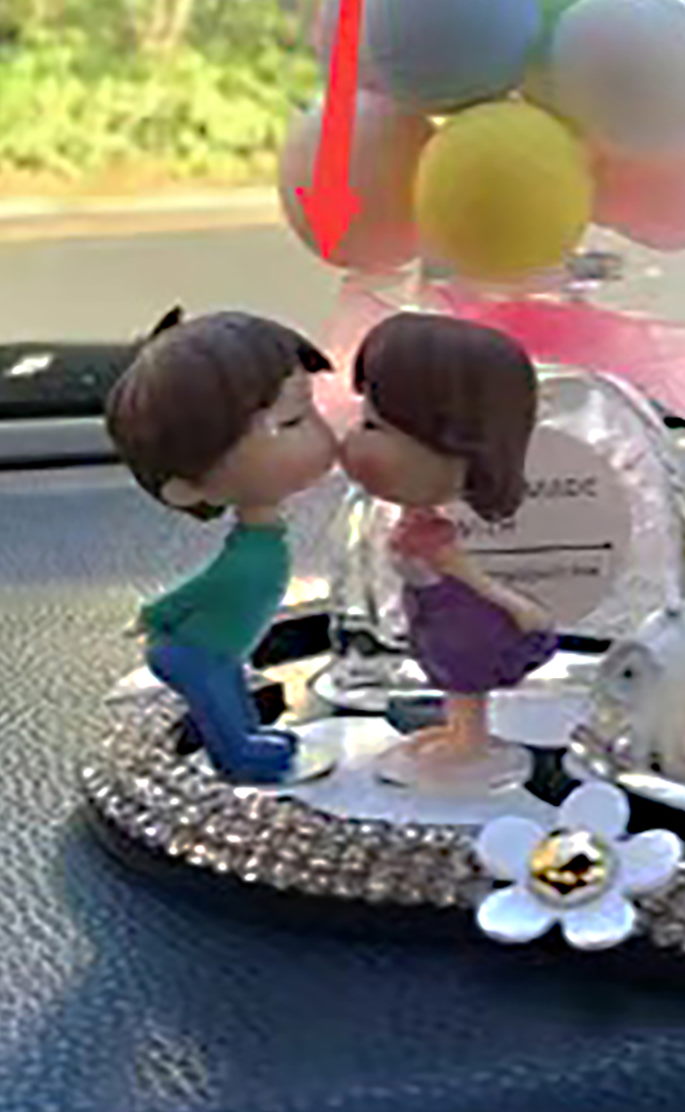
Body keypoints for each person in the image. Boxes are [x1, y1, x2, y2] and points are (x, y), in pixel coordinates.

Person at [105, 309, 338, 783]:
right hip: (192, 652)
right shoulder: (248, 555)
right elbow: (209, 586)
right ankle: (238, 756)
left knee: (230, 689)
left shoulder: (260, 543)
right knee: (219, 700)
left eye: (311, 410)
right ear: (187, 489)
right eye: (291, 421)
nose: (321, 436)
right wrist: (157, 614)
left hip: (220, 648)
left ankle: (249, 740)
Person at [339, 312, 555, 790]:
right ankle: (458, 732)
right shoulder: (417, 520)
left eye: (374, 426)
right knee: (449, 677)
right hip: (433, 616)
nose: (351, 441)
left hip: (463, 622)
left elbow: (472, 578)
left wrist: (522, 610)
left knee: (464, 676)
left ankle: (470, 740)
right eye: (364, 420)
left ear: (457, 442)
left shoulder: (438, 537)